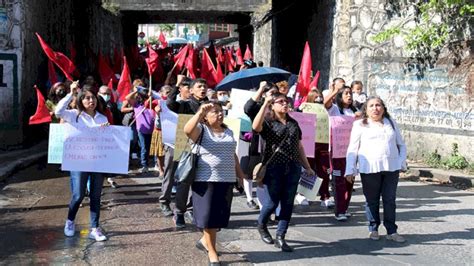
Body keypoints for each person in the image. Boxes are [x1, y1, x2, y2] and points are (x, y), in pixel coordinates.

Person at [184, 102, 246, 265]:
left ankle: (205, 241)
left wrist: (240, 175)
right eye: (215, 112)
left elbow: (232, 155)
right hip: (205, 180)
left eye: (221, 111)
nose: (220, 114)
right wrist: (199, 112)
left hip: (226, 180)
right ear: (205, 117)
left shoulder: (229, 131)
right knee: (208, 218)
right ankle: (212, 252)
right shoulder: (202, 130)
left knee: (218, 218)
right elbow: (187, 130)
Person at [252, 92, 315, 252]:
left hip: (293, 167)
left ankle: (281, 236)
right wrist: (265, 103)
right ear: (273, 105)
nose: (285, 104)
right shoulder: (268, 122)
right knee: (272, 203)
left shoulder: (293, 123)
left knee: (287, 203)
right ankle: (262, 225)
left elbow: (299, 146)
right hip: (274, 168)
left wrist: (307, 166)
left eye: (286, 101)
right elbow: (255, 127)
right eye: (280, 102)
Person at [345, 96, 407, 242]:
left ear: (383, 108)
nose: (375, 108)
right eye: (371, 106)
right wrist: (350, 169)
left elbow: (401, 145)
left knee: (390, 200)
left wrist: (401, 162)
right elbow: (352, 148)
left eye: (378, 105)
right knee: (372, 200)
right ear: (366, 109)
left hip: (391, 168)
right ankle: (373, 228)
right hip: (370, 168)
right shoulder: (360, 125)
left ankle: (392, 231)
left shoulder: (390, 123)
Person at [55, 82, 108, 242]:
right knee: (78, 195)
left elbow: (107, 141)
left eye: (93, 98)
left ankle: (94, 228)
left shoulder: (102, 117)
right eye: (86, 98)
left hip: (97, 161)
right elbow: (58, 112)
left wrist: (107, 131)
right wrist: (70, 93)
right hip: (78, 161)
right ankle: (70, 222)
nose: (91, 101)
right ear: (80, 100)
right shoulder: (73, 115)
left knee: (96, 196)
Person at [164, 78, 209, 228]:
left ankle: (193, 209)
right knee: (184, 180)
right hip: (186, 146)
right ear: (191, 90)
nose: (203, 89)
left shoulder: (210, 105)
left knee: (202, 180)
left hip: (206, 146)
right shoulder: (185, 105)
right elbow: (170, 104)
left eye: (205, 86)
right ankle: (180, 212)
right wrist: (176, 86)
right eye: (199, 86)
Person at [324, 85, 359, 221]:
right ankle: (339, 211)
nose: (349, 96)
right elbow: (325, 103)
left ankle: (345, 207)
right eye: (346, 94)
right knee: (339, 181)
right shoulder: (334, 109)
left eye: (350, 93)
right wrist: (333, 91)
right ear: (339, 96)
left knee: (350, 180)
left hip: (352, 151)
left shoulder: (354, 112)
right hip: (337, 151)